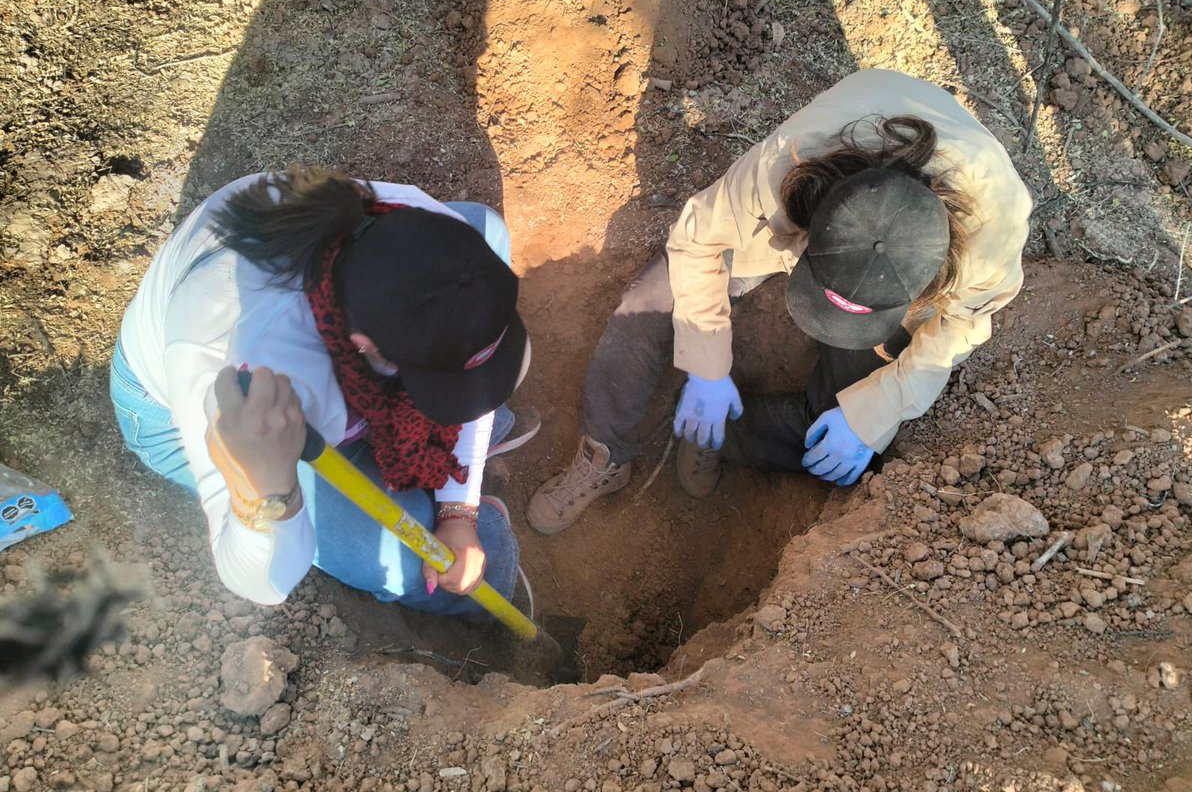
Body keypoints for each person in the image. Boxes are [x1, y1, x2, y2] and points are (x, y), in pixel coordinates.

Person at [526, 69, 1031, 534]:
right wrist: (706, 366)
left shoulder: (993, 231)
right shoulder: (787, 166)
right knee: (650, 302)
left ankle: (725, 436)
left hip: (913, 263)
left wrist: (875, 413)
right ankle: (604, 454)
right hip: (819, 195)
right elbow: (697, 239)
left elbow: (962, 326)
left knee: (859, 418)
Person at [110, 168, 539, 612]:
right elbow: (262, 581)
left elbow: (454, 309)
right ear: (366, 346)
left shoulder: (425, 230)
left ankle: (440, 463)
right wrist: (269, 490)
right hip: (219, 421)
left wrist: (457, 512)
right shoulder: (241, 365)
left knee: (486, 229)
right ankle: (477, 580)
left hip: (326, 381)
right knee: (408, 561)